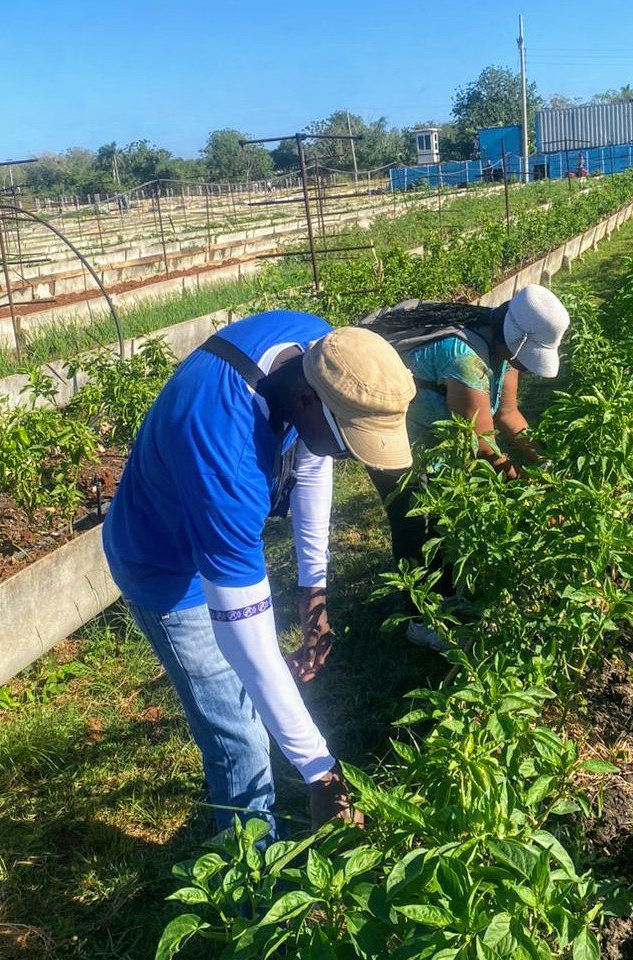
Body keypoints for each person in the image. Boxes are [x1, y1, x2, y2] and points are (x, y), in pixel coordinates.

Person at [102, 313, 415, 833]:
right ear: (306, 402)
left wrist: (312, 598)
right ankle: (246, 888)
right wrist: (322, 775)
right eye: (349, 444)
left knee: (254, 710)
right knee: (239, 735)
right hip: (162, 563)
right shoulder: (226, 455)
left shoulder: (317, 351)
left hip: (201, 511)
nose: (349, 459)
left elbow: (314, 458)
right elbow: (249, 649)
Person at [360, 284, 570, 647]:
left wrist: (547, 463)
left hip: (431, 436)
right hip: (387, 430)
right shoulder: (467, 359)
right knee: (412, 517)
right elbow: (483, 448)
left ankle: (446, 595)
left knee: (443, 513)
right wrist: (531, 494)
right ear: (518, 339)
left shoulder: (504, 349)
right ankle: (420, 618)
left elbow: (508, 414)